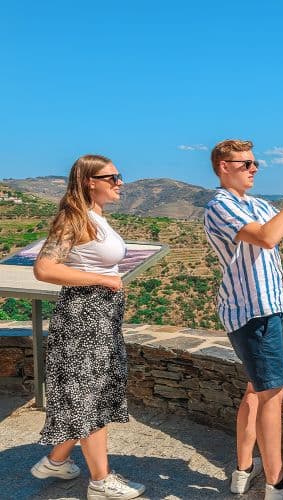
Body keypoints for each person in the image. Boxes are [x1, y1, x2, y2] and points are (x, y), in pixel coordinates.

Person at [203, 139, 283, 499]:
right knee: (271, 395)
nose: (254, 168)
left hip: (262, 308)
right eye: (245, 164)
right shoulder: (219, 206)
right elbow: (268, 237)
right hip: (253, 311)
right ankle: (278, 484)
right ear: (223, 167)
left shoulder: (256, 204)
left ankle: (243, 470)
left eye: (255, 162)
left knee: (255, 391)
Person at [32, 154, 145, 500]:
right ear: (88, 182)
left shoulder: (95, 217)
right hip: (84, 318)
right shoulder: (73, 219)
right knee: (91, 395)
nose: (120, 183)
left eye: (118, 176)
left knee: (92, 391)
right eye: (112, 177)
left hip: (100, 316)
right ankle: (100, 482)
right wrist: (99, 279)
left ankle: (55, 460)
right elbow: (45, 268)